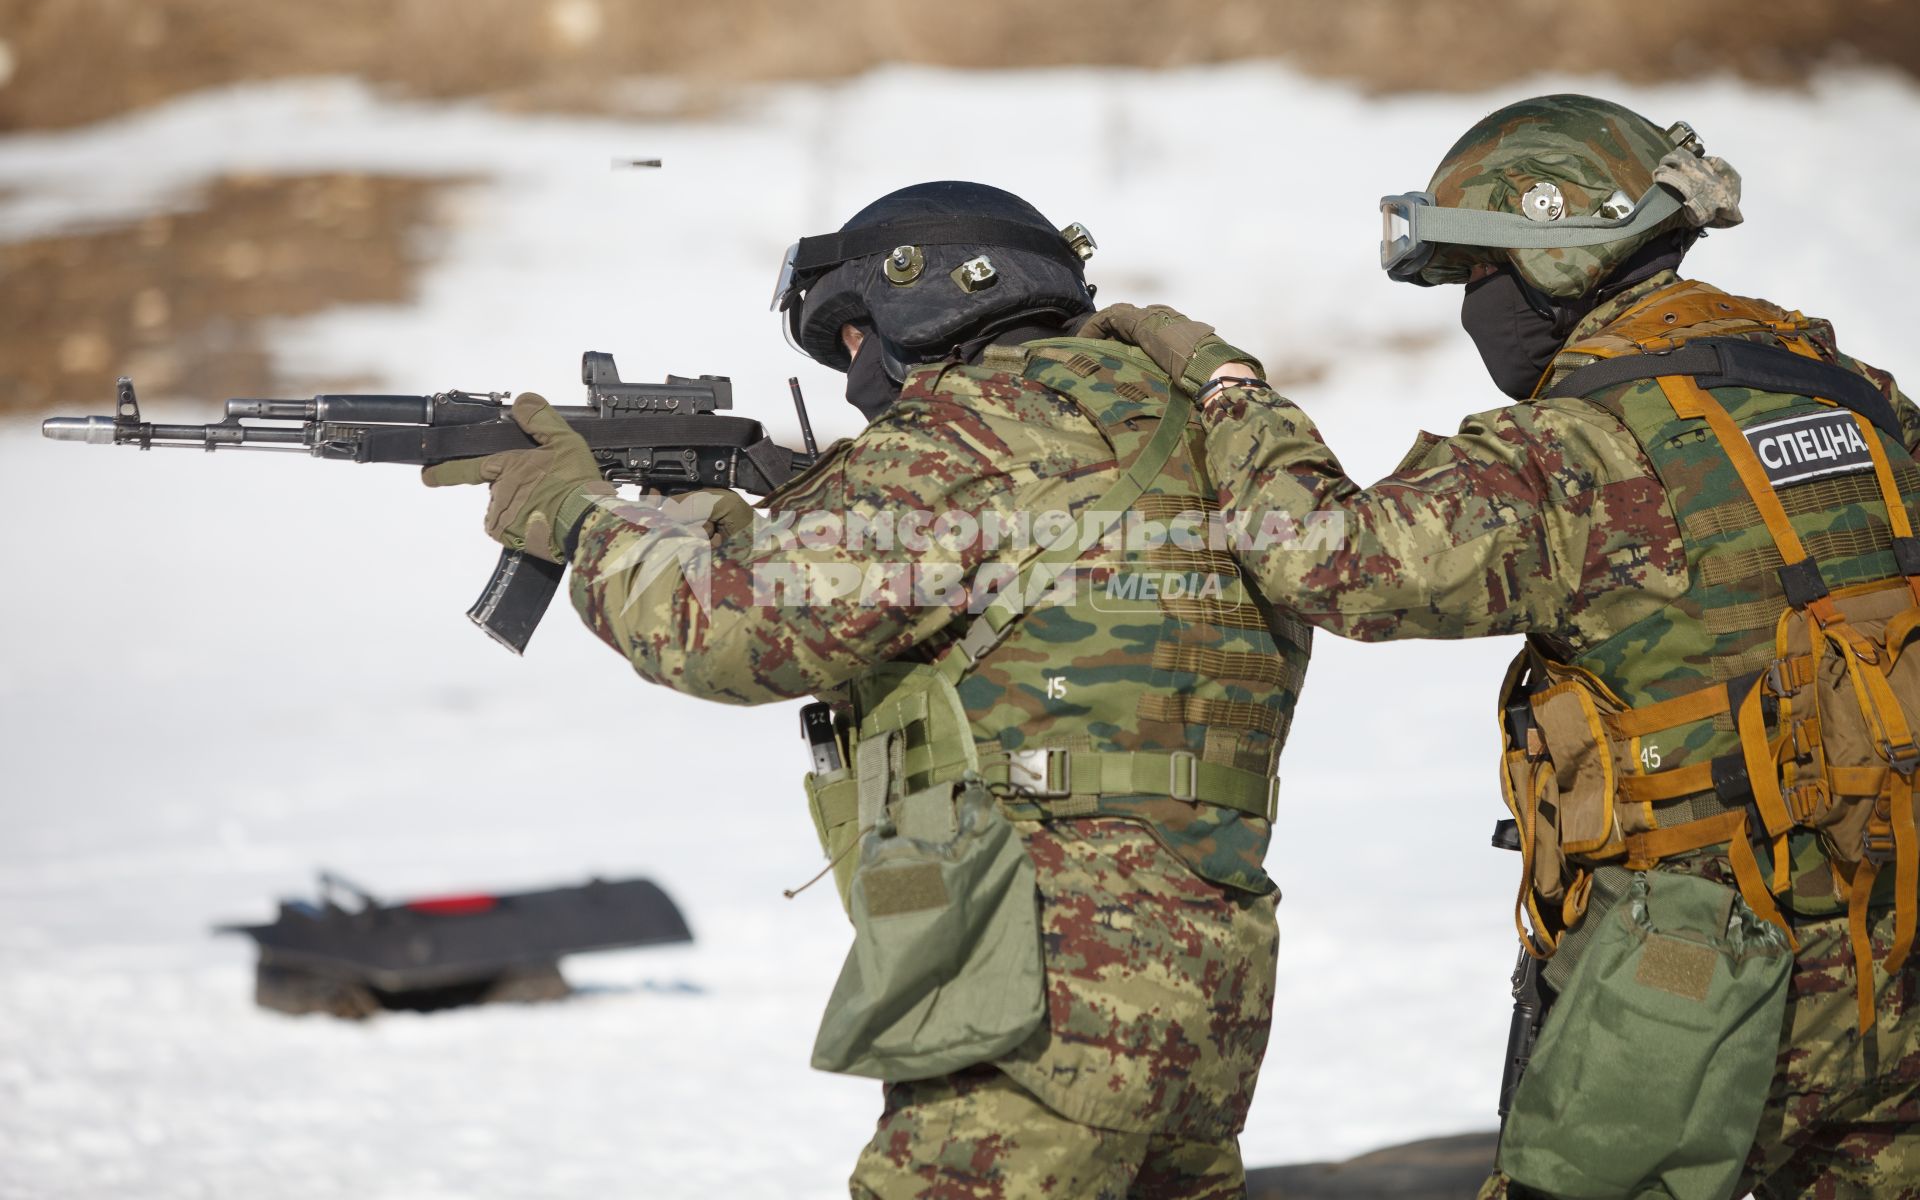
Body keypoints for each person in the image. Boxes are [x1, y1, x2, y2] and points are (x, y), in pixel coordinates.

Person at [423, 181, 1309, 1198]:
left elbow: (725, 633)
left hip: (1047, 957)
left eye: (853, 337)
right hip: (1215, 955)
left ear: (923, 301)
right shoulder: (1207, 429)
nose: (854, 373)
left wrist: (578, 517)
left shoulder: (966, 431)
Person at [1104, 96, 1920, 1199]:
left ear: (1553, 255)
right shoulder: (1860, 395)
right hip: (1894, 934)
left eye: (1481, 274)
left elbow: (1335, 558)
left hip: (1698, 959)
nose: (1476, 307)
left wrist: (1230, 391)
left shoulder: (1579, 448)